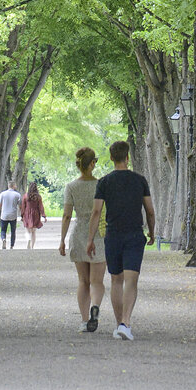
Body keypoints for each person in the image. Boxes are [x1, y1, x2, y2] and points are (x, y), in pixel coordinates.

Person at [87, 140, 155, 341]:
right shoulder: (140, 180)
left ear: (111, 158)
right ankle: (125, 323)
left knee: (116, 280)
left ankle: (119, 325)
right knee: (131, 280)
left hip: (113, 235)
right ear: (128, 158)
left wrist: (90, 239)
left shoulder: (104, 182)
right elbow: (149, 210)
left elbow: (96, 212)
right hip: (134, 234)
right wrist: (152, 232)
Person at [59, 146, 107, 332]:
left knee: (82, 281)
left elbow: (66, 215)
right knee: (97, 281)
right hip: (98, 235)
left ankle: (85, 320)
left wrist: (62, 240)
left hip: (79, 233)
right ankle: (96, 306)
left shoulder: (71, 187)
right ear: (92, 164)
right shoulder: (101, 185)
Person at [0, 180, 22, 249]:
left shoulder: (2, 194)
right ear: (13, 186)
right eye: (15, 185)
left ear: (8, 186)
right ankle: (11, 245)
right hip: (13, 215)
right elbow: (20, 206)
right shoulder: (17, 195)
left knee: (3, 230)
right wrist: (22, 215)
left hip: (4, 215)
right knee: (13, 231)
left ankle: (3, 239)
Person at [20, 180, 47, 248]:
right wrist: (44, 216)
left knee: (27, 230)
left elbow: (23, 206)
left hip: (27, 214)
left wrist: (22, 215)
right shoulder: (38, 197)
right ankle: (32, 246)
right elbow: (41, 207)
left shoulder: (25, 196)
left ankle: (28, 239)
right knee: (34, 232)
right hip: (36, 214)